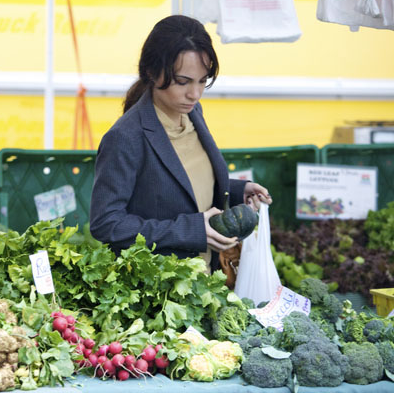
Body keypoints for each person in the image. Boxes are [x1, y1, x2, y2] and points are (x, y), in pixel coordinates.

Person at [89, 15, 272, 273]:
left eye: (202, 81)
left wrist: (237, 189)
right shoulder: (125, 137)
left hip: (205, 281)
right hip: (159, 292)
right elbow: (106, 223)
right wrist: (190, 230)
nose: (194, 94)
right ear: (152, 72)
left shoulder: (193, 113)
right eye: (183, 82)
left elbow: (179, 186)